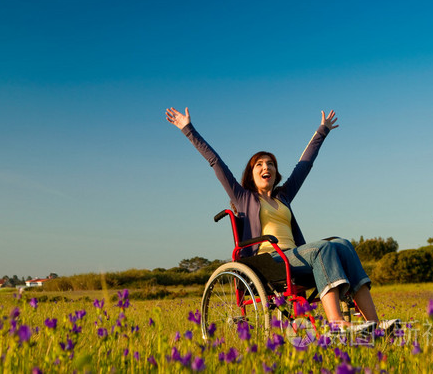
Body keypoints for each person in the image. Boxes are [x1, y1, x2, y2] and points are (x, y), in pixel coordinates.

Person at [165, 106, 397, 333]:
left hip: (296, 257)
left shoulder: (283, 196)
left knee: (343, 245)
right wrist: (188, 130)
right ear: (251, 174)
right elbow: (215, 162)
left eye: (271, 164)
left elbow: (304, 166)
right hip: (270, 261)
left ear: (276, 172)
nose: (266, 167)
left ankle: (375, 325)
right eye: (260, 164)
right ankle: (336, 323)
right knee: (323, 248)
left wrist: (322, 131)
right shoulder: (244, 197)